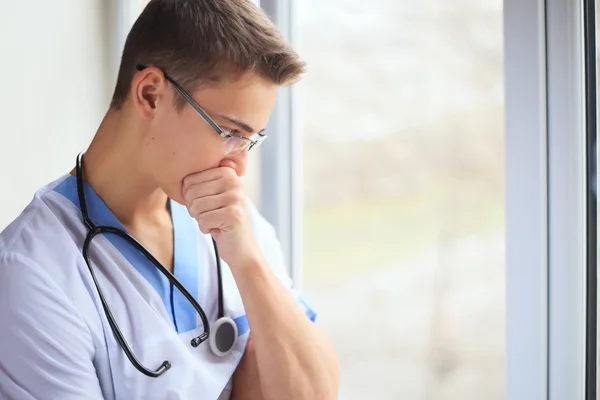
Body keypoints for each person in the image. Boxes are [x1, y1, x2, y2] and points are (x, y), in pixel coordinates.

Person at [0, 0, 339, 399]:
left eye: (251, 141)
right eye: (229, 132)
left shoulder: (233, 223)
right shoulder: (31, 274)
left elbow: (314, 393)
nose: (240, 169)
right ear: (150, 95)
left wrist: (247, 261)